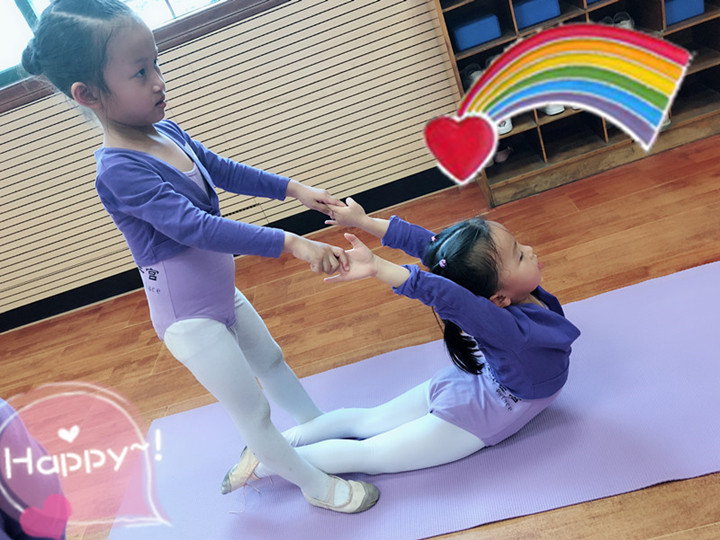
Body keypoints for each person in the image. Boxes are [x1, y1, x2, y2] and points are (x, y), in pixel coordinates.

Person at [21, 0, 378, 513]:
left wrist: (294, 189)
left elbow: (220, 169)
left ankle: (317, 432)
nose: (158, 81)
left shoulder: (165, 132)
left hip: (220, 294)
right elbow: (195, 227)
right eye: (140, 73)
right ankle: (317, 488)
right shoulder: (118, 170)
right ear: (89, 95)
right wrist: (292, 243)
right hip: (189, 320)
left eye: (156, 64)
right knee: (253, 411)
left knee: (272, 361)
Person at [244, 197, 581, 478]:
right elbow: (447, 294)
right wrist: (378, 267)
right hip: (479, 415)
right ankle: (265, 462)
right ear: (499, 298)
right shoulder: (508, 329)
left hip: (469, 381)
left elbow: (435, 250)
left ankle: (265, 447)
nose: (530, 250)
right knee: (368, 453)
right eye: (519, 255)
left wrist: (363, 221)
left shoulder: (501, 299)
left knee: (366, 421)